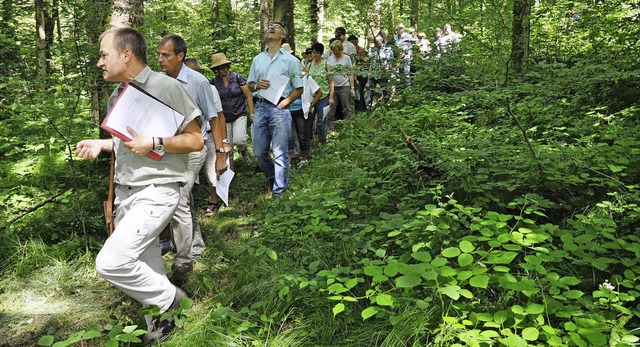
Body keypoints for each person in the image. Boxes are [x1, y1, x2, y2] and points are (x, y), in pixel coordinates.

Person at [75, 27, 203, 343]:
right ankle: (163, 329)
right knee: (148, 267)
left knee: (111, 261)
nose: (99, 63)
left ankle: (173, 301)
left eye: (104, 55)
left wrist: (156, 141)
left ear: (126, 54)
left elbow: (196, 139)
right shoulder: (117, 97)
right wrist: (102, 144)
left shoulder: (166, 87)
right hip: (126, 195)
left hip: (157, 191)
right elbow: (129, 145)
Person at [156, 34, 229, 287]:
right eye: (159, 54)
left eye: (166, 55)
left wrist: (220, 154)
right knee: (180, 200)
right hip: (169, 148)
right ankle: (196, 246)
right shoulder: (159, 81)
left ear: (180, 56)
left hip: (195, 148)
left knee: (179, 199)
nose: (160, 59)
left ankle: (184, 261)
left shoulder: (198, 82)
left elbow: (216, 117)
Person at [247, 22, 303, 198]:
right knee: (259, 151)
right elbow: (249, 86)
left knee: (280, 152)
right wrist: (257, 84)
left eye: (276, 26)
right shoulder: (258, 59)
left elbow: (299, 88)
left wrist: (285, 102)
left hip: (280, 108)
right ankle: (273, 177)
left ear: (283, 36)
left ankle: (279, 192)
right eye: (269, 26)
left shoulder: (291, 61)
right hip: (261, 106)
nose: (271, 27)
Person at [210, 52, 254, 169]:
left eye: (223, 67)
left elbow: (248, 96)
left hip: (239, 113)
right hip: (224, 118)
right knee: (227, 144)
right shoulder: (213, 82)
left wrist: (252, 113)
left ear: (227, 66)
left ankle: (244, 152)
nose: (221, 71)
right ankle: (231, 170)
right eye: (217, 69)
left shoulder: (237, 78)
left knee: (239, 140)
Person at [326, 39, 355, 131]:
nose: (335, 52)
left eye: (337, 50)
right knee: (331, 110)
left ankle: (348, 128)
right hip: (333, 87)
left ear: (341, 49)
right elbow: (327, 74)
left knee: (346, 108)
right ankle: (330, 130)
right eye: (333, 50)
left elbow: (350, 73)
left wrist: (352, 88)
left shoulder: (346, 58)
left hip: (344, 86)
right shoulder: (329, 59)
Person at [308, 42, 330, 144]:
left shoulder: (326, 65)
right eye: (313, 52)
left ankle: (322, 142)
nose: (314, 55)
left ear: (321, 53)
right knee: (309, 120)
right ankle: (309, 141)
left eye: (317, 53)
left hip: (324, 96)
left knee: (321, 121)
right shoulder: (309, 65)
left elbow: (331, 81)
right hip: (311, 97)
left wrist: (331, 97)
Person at [366, 34, 394, 109]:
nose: (376, 40)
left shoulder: (388, 49)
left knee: (385, 90)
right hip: (373, 73)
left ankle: (385, 106)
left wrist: (389, 73)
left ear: (382, 39)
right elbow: (369, 61)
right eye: (375, 40)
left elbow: (391, 62)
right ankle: (368, 107)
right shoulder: (371, 49)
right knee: (370, 90)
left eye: (378, 39)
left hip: (383, 73)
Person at [348, 34, 369, 112]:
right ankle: (362, 109)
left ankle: (360, 110)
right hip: (355, 74)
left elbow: (366, 65)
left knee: (358, 93)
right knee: (359, 93)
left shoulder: (361, 51)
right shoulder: (351, 51)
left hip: (361, 75)